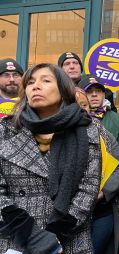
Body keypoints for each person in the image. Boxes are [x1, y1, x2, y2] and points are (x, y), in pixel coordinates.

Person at [0, 63, 101, 253]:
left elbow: (89, 188)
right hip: (16, 237)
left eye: (45, 80)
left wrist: (55, 237)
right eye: (30, 82)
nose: (35, 86)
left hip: (68, 238)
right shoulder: (5, 130)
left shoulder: (85, 130)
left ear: (63, 90)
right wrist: (33, 237)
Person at [75, 87, 119, 254]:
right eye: (76, 105)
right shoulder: (56, 135)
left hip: (102, 211)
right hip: (72, 215)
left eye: (85, 106)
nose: (81, 110)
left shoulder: (102, 132)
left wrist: (104, 192)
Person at [85, 82, 119, 155]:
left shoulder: (118, 120)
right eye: (89, 91)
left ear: (104, 95)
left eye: (98, 91)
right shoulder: (75, 117)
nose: (94, 94)